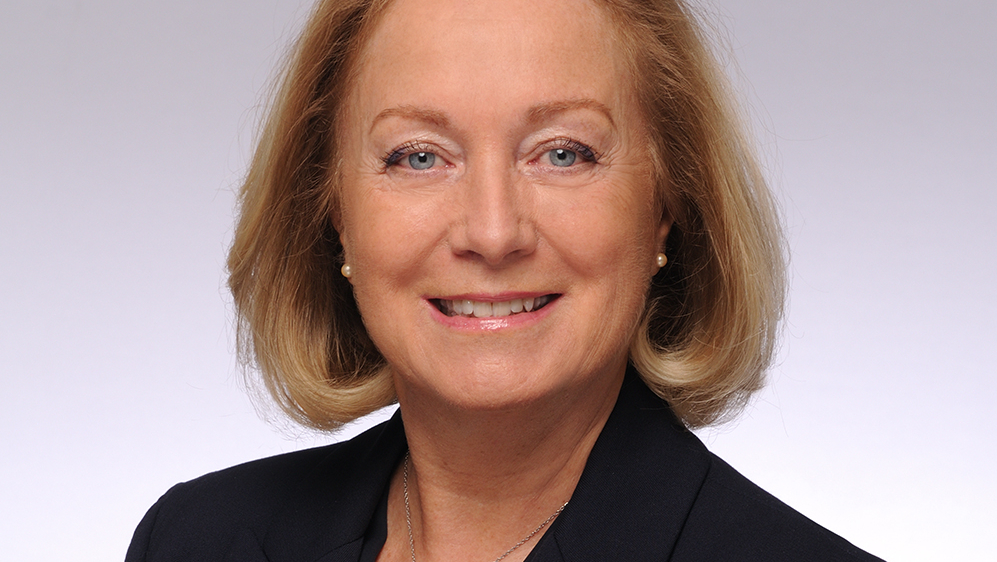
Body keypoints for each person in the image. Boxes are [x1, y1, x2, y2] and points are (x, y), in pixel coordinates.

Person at [126, 0, 883, 560]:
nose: (492, 233)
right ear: (334, 211)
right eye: (419, 156)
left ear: (666, 205)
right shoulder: (195, 541)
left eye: (563, 153)